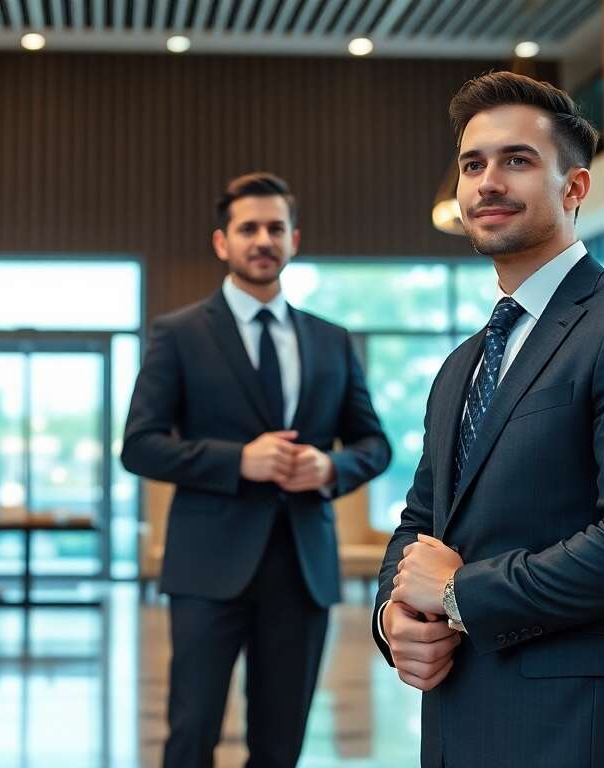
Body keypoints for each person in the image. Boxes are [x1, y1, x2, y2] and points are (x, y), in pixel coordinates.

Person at [372, 71, 604, 768]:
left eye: (516, 160)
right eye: (472, 164)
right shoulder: (465, 360)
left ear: (574, 188)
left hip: (576, 721)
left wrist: (464, 594)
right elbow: (420, 522)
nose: (487, 181)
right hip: (457, 712)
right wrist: (394, 619)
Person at [122, 172, 391, 767]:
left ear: (295, 239)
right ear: (223, 242)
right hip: (206, 568)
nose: (262, 239)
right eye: (248, 228)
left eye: (275, 228)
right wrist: (237, 460)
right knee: (191, 735)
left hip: (302, 570)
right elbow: (138, 446)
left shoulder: (332, 341)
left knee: (281, 744)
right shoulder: (179, 335)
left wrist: (330, 467)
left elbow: (375, 444)